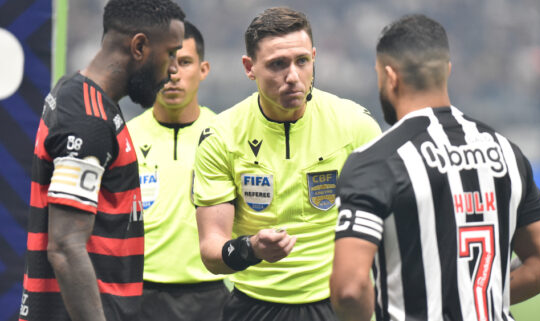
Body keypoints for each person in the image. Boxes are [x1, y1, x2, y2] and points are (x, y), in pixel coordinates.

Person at [329, 14, 540, 321]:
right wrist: (476, 298)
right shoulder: (506, 152)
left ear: (390, 76)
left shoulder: (375, 163)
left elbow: (349, 289)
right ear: (447, 71)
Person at [192, 6, 382, 321]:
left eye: (302, 61)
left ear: (314, 58)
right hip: (254, 305)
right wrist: (251, 248)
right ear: (249, 67)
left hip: (338, 305)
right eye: (278, 64)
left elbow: (388, 227)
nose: (293, 76)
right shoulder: (221, 137)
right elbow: (212, 250)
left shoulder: (356, 126)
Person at [19, 0, 185, 320]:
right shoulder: (88, 119)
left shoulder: (78, 94)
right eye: (171, 53)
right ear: (139, 46)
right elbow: (66, 247)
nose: (174, 69)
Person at [127, 20, 230, 321]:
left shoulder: (227, 136)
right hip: (139, 296)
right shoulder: (124, 138)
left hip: (211, 294)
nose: (173, 74)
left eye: (185, 62)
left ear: (204, 69)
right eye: (165, 62)